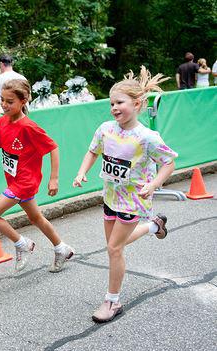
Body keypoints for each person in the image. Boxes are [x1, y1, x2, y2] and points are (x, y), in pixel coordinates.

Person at [73, 66, 177, 323]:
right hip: (110, 196)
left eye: (120, 102)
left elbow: (169, 162)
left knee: (114, 248)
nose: (114, 108)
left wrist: (153, 185)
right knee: (116, 245)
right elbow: (92, 151)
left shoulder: (147, 137)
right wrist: (81, 172)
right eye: (111, 104)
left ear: (138, 103)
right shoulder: (106, 129)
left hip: (133, 199)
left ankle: (112, 301)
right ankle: (154, 226)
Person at [0, 79, 75, 272]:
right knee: (36, 218)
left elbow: (53, 147)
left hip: (25, 181)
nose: (4, 104)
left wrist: (54, 178)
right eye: (2, 100)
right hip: (13, 179)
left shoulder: (28, 126)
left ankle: (22, 244)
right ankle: (62, 248)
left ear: (23, 101)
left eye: (10, 101)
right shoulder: (1, 122)